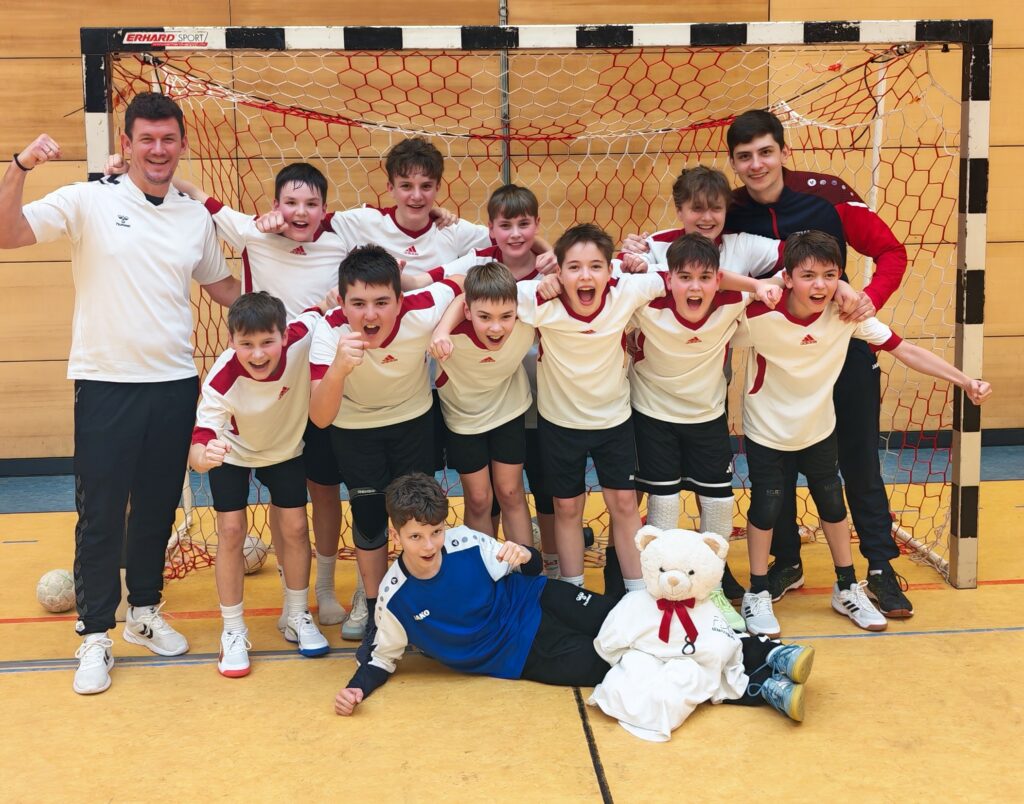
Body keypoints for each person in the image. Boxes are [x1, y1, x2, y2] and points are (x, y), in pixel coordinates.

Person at [0, 92, 240, 695]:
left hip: (174, 383)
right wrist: (20, 167)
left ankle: (144, 612)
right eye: (146, 139)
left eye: (168, 139)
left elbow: (225, 289)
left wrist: (301, 298)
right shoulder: (88, 200)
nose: (158, 150)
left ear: (181, 145)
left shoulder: (193, 215)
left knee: (158, 507)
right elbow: (8, 233)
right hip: (106, 382)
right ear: (126, 145)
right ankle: (95, 634)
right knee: (103, 513)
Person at [735, 231, 991, 635]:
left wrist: (964, 381)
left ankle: (846, 587)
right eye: (808, 276)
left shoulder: (846, 316)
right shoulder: (757, 316)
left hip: (819, 428)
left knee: (833, 505)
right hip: (767, 431)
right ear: (787, 278)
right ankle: (757, 591)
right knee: (766, 508)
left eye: (829, 275)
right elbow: (707, 324)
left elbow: (905, 349)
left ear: (841, 278)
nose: (819, 285)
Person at [334, 473, 620, 716]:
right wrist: (355, 688)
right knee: (614, 665)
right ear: (396, 537)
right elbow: (381, 659)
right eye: (416, 537)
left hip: (537, 597)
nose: (429, 546)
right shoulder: (394, 598)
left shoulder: (466, 542)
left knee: (622, 618)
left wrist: (524, 553)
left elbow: (532, 568)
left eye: (436, 532)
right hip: (518, 652)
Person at [308, 245, 464, 665]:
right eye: (358, 303)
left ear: (400, 300)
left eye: (382, 302)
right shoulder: (329, 330)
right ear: (342, 303)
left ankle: (426, 605)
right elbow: (320, 418)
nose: (370, 315)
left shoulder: (423, 307)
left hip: (412, 421)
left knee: (420, 517)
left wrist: (442, 327)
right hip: (353, 427)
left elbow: (465, 283)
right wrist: (339, 369)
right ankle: (376, 611)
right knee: (369, 517)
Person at [629, 232, 780, 632]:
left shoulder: (734, 301)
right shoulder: (647, 302)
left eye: (705, 277)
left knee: (718, 501)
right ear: (668, 280)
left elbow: (786, 279)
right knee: (663, 502)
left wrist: (757, 286)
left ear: (719, 280)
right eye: (684, 277)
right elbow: (607, 278)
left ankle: (712, 587)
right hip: (653, 415)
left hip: (708, 417)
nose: (694, 287)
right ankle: (659, 591)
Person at [515, 224, 667, 593]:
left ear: (609, 269)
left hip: (613, 421)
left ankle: (636, 594)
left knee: (625, 504)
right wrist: (539, 282)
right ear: (559, 272)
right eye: (574, 267)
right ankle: (573, 592)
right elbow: (473, 290)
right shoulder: (537, 298)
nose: (585, 276)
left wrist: (643, 263)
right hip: (560, 424)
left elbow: (686, 276)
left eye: (596, 266)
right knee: (567, 508)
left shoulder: (626, 290)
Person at [190, 292, 331, 676]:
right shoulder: (221, 379)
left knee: (296, 527)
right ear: (231, 341)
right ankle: (233, 631)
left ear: (285, 336)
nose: (257, 354)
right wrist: (205, 456)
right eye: (246, 344)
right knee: (231, 531)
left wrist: (331, 300)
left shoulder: (303, 335)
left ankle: (297, 615)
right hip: (232, 452)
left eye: (267, 342)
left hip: (284, 449)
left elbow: (319, 312)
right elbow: (199, 445)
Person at [428, 262, 535, 544]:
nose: (496, 327)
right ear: (467, 311)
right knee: (478, 499)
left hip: (508, 408)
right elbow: (457, 283)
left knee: (510, 492)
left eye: (506, 316)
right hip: (463, 418)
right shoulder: (445, 331)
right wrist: (441, 330)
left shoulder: (528, 319)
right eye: (485, 317)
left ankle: (526, 566)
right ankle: (483, 568)